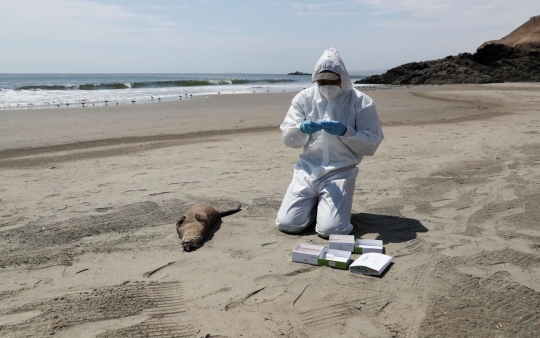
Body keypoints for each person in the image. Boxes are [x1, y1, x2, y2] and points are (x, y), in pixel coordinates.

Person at [276, 48, 384, 238]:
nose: (327, 85)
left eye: (332, 80)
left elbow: (371, 143)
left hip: (340, 170)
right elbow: (287, 137)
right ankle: (317, 206)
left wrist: (345, 132)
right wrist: (301, 129)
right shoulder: (304, 98)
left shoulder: (360, 101)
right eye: (322, 81)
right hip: (307, 170)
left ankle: (328, 209)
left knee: (332, 231)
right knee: (288, 224)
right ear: (315, 79)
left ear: (342, 77)